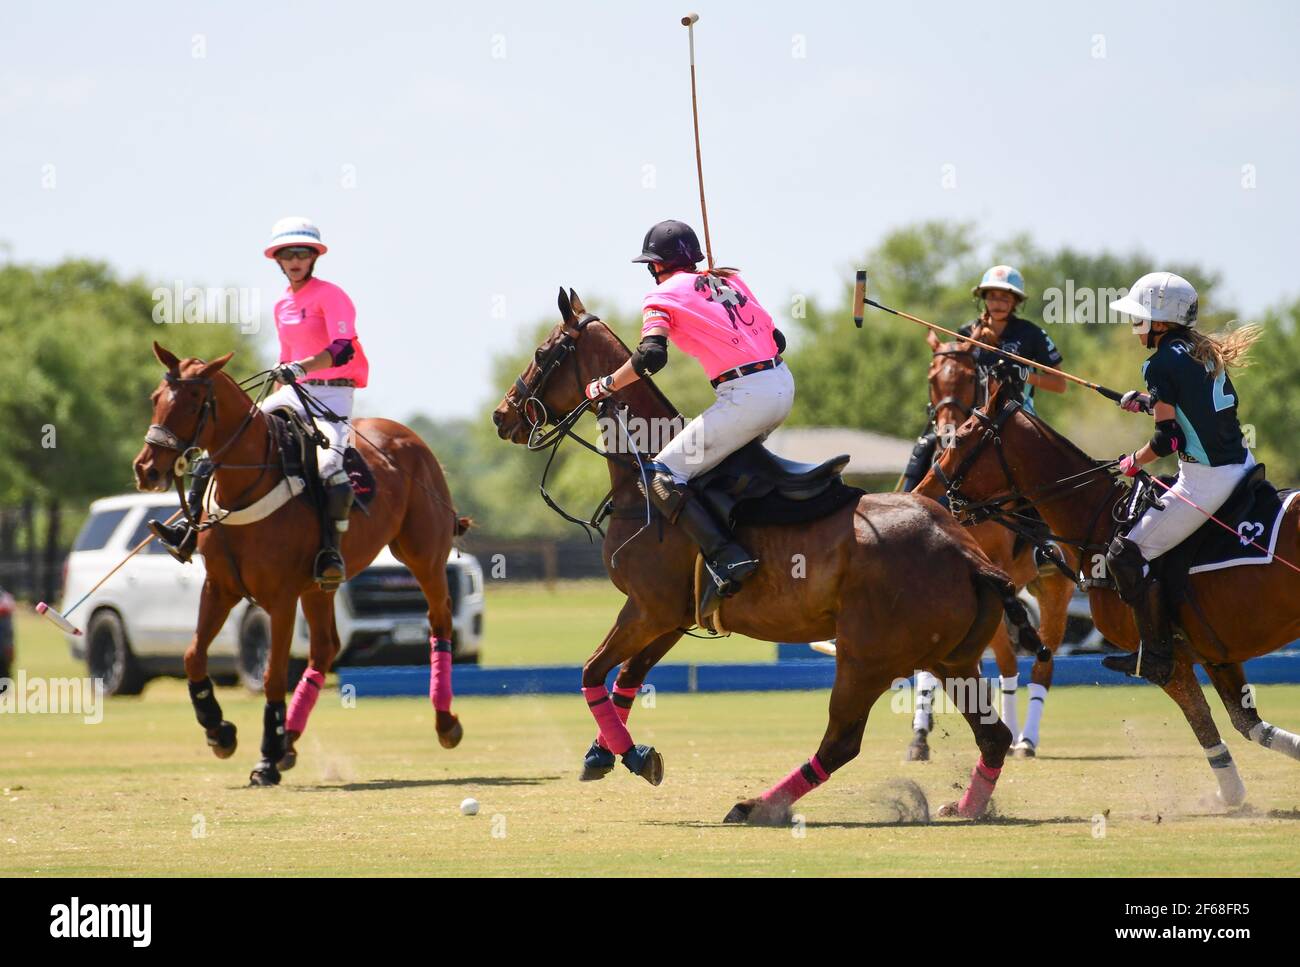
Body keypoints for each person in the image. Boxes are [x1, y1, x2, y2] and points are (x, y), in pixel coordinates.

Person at [582, 219, 792, 615]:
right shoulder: (731, 281)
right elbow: (777, 340)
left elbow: (651, 356)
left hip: (747, 396)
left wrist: (606, 384)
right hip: (781, 384)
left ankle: (727, 556)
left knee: (659, 475)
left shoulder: (660, 296)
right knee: (712, 464)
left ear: (656, 264)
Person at [150, 216, 370, 588]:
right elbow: (286, 356)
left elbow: (343, 348)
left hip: (332, 393)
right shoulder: (282, 304)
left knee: (331, 468)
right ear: (279, 260)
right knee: (221, 447)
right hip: (291, 393)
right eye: (288, 254)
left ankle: (330, 552)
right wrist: (280, 384)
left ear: (313, 257)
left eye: (302, 252)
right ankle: (189, 529)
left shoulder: (332, 295)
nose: (295, 259)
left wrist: (300, 367)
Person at [1102, 272, 1261, 685]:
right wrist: (1149, 401)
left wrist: (1133, 463)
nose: (1135, 325)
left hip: (1205, 482)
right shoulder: (1197, 351)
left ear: (1159, 321)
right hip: (1241, 465)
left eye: (1140, 318)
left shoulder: (1159, 363)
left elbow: (1168, 438)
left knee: (1125, 553)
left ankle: (1155, 655)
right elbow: (1189, 407)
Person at [900, 264, 1065, 492]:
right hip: (969, 421)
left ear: (1016, 301)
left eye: (1004, 297)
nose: (997, 303)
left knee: (1040, 463)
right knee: (926, 447)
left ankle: (1040, 522)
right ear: (984, 298)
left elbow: (1060, 384)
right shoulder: (966, 332)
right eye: (992, 296)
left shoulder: (1031, 334)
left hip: (1016, 417)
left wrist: (1023, 374)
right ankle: (909, 501)